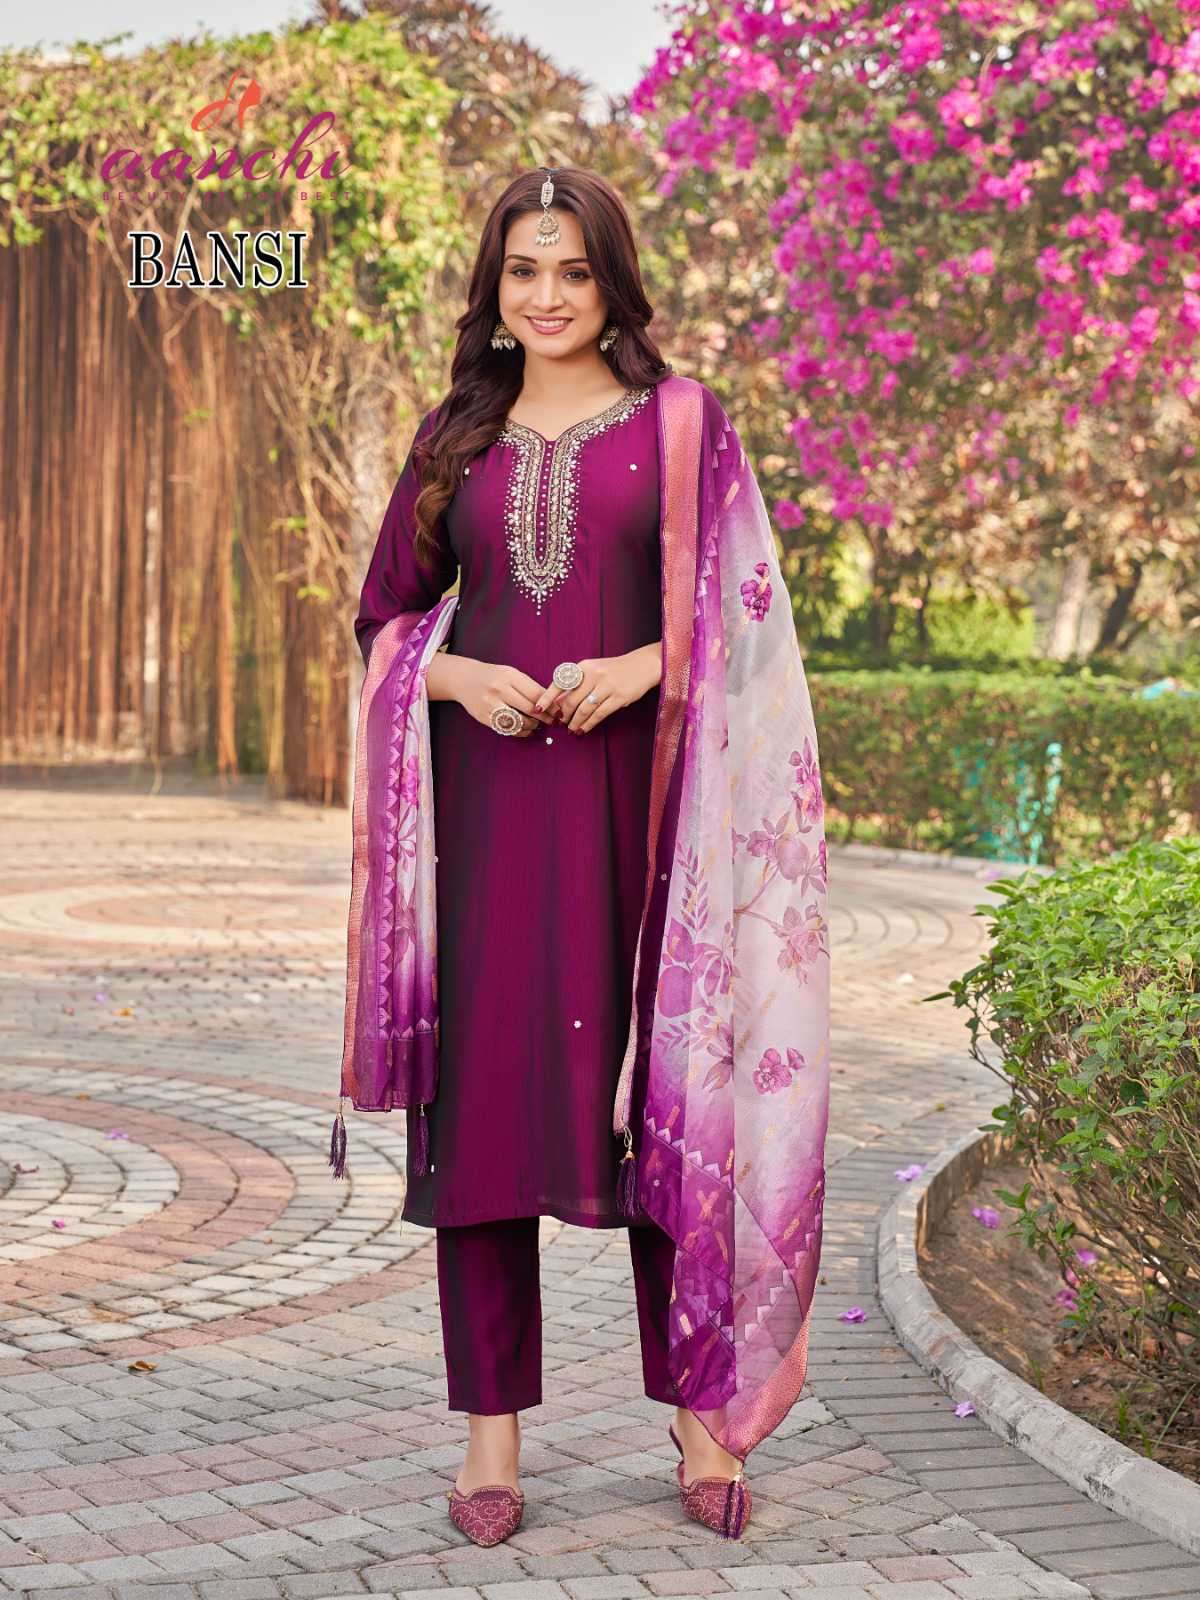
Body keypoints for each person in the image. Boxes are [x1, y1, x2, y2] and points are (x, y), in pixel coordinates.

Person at [340, 167, 831, 1549]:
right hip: (488, 824)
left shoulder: (683, 427)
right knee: (486, 1124)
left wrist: (649, 664)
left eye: (571, 270)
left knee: (665, 1093)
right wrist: (457, 676)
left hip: (648, 821)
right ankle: (491, 1439)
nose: (546, 296)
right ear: (493, 290)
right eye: (522, 272)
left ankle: (699, 1417)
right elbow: (383, 621)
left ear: (614, 282)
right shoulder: (456, 437)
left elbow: (745, 617)